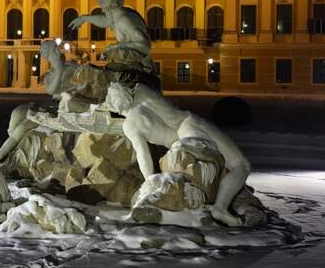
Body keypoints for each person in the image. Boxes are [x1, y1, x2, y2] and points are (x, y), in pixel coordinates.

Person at [104, 82, 251, 227]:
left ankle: (223, 203)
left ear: (112, 107)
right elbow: (170, 111)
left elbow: (143, 155)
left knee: (231, 165)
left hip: (179, 142)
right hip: (189, 126)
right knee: (242, 164)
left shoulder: (129, 125)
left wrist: (150, 180)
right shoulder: (142, 92)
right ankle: (220, 207)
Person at [68, 0, 152, 69]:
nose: (100, 1)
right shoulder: (116, 16)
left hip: (138, 64)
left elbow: (145, 46)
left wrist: (115, 46)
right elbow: (105, 21)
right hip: (129, 61)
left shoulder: (124, 20)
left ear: (114, 1)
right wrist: (84, 18)